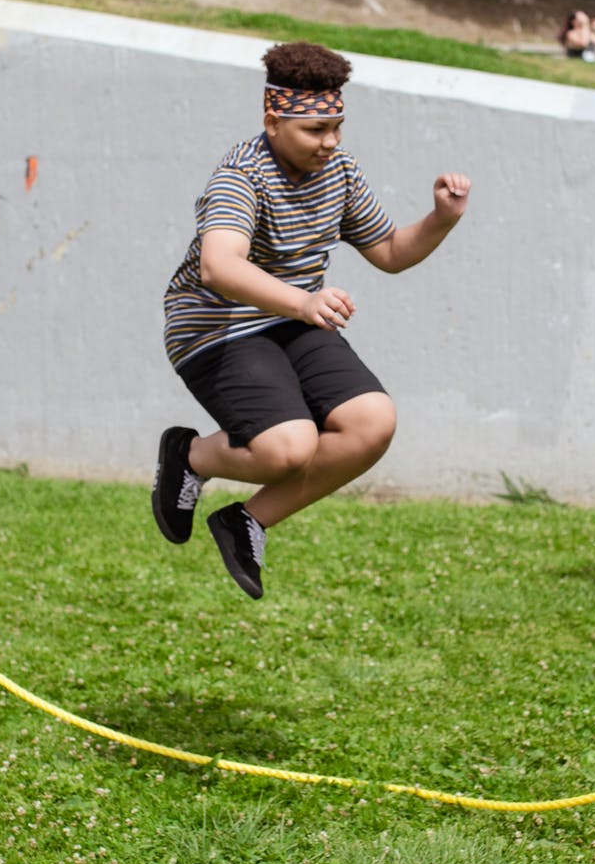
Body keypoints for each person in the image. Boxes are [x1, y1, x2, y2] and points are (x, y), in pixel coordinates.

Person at [152, 42, 471, 599]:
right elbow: (218, 265)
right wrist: (302, 302)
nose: (330, 143)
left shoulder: (339, 172)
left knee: (373, 421)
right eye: (315, 129)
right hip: (215, 326)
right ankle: (189, 456)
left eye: (337, 127)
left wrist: (440, 220)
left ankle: (247, 521)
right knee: (289, 447)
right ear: (273, 119)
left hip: (291, 319)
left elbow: (392, 251)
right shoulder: (239, 176)